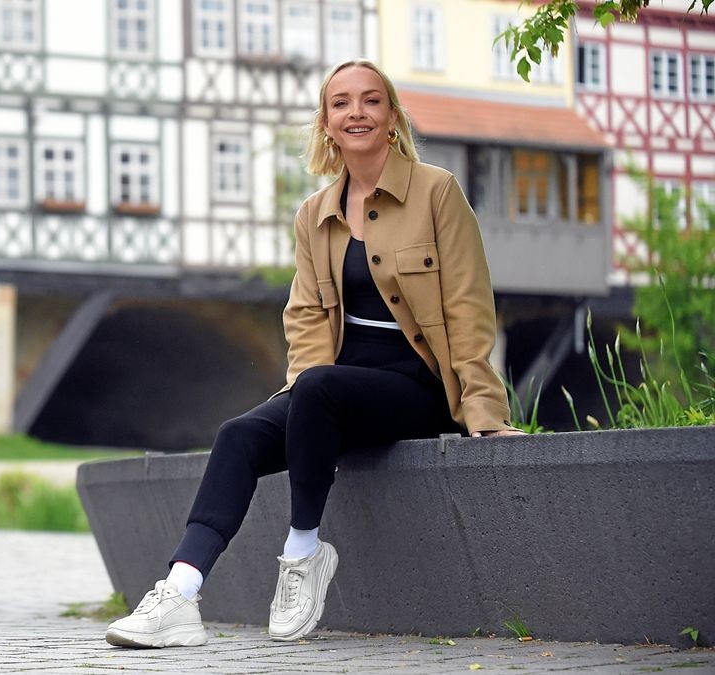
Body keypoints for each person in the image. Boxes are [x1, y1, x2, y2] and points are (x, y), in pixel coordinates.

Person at [104, 59, 524, 649]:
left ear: (393, 118)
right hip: (334, 388)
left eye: (371, 101)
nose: (357, 112)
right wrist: (299, 397)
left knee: (321, 387)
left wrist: (484, 412)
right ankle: (180, 592)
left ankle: (303, 553)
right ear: (326, 123)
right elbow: (304, 316)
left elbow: (469, 304)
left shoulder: (436, 191)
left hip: (419, 385)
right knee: (237, 434)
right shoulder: (314, 213)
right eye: (341, 103)